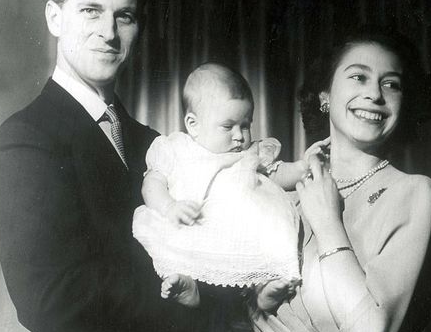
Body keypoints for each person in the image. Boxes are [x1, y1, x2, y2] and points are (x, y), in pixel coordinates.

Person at [0, 0, 218, 332]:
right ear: (55, 17)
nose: (109, 33)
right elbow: (47, 297)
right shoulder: (25, 136)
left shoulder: (155, 143)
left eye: (125, 16)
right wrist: (181, 290)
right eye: (90, 10)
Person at [251, 27, 431, 332]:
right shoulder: (281, 191)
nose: (374, 94)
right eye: (358, 77)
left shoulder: (414, 194)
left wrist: (328, 225)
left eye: (391, 84)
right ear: (325, 95)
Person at [133, 62, 316, 294]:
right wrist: (169, 207)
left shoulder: (248, 155)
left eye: (245, 125)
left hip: (241, 235)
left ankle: (263, 292)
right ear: (193, 124)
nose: (239, 136)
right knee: (173, 249)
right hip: (193, 226)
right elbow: (152, 183)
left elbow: (276, 174)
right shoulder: (175, 149)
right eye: (228, 126)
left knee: (268, 239)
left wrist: (302, 168)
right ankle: (189, 286)